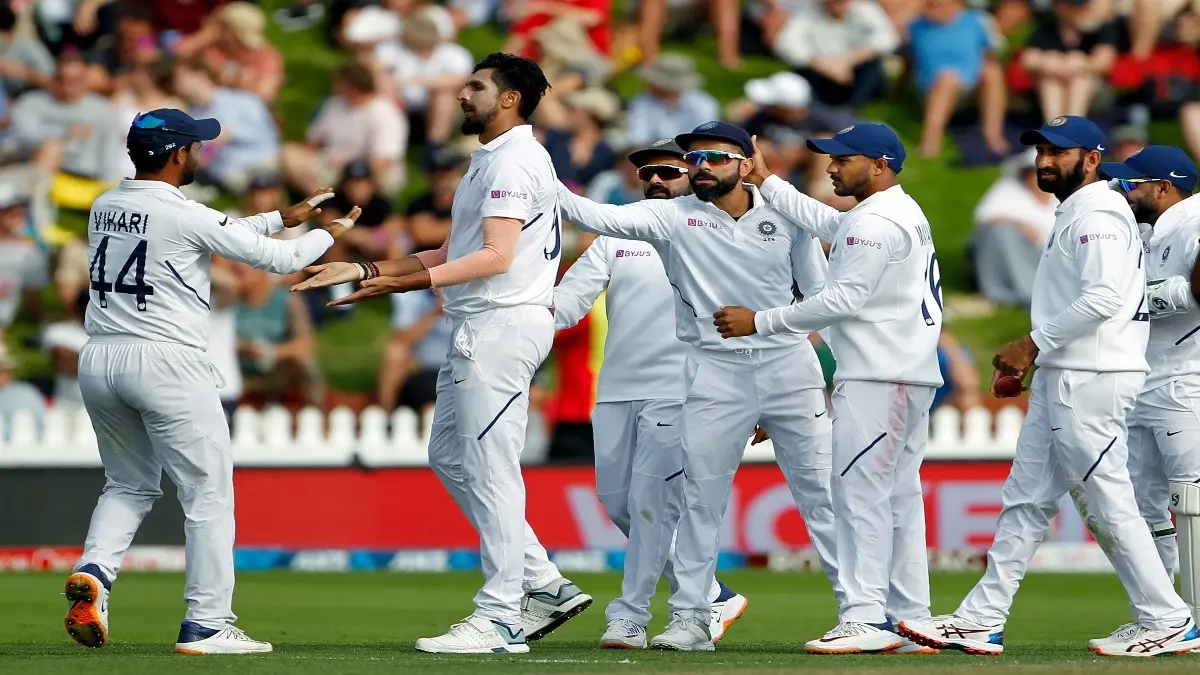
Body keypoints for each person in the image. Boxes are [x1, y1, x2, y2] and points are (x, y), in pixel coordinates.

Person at [290, 53, 593, 655]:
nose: (462, 94)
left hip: (501, 327)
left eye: (476, 86)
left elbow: (496, 257)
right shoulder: (495, 159)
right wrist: (367, 268)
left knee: (490, 467)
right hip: (481, 325)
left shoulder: (512, 160)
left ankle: (503, 615)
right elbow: (453, 252)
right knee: (452, 457)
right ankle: (544, 583)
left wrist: (404, 284)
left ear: (510, 99)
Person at [898, 116, 1200, 657]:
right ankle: (981, 618)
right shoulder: (1080, 210)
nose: (1044, 160)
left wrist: (1031, 345)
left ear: (1091, 159)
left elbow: (1106, 297)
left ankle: (1168, 617)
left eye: (1058, 152)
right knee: (1026, 499)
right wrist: (1034, 357)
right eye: (1040, 150)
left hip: (1093, 375)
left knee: (1106, 498)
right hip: (1071, 371)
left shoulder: (1100, 214)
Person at [63, 108, 359, 655]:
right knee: (207, 495)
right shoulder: (183, 214)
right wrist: (328, 233)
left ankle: (96, 574)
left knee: (127, 484)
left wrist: (278, 216)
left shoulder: (107, 204)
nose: (199, 154)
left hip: (101, 358)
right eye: (195, 147)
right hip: (166, 362)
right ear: (178, 155)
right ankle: (207, 623)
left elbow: (202, 234)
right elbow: (283, 261)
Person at [552, 120, 841, 651]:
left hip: (755, 371)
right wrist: (529, 178)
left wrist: (827, 373)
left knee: (816, 492)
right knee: (663, 502)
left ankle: (861, 612)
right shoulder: (657, 222)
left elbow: (822, 298)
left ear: (743, 161)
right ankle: (696, 609)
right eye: (689, 161)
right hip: (679, 377)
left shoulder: (784, 214)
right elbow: (588, 229)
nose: (692, 169)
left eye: (708, 159)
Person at [715, 124, 943, 654]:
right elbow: (829, 223)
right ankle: (911, 618)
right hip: (906, 371)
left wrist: (762, 321)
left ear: (880, 164)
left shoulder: (873, 224)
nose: (832, 168)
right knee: (899, 499)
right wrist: (769, 181)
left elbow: (842, 300)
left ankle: (865, 617)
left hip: (875, 375)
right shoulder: (893, 212)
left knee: (859, 495)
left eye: (844, 159)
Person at [552, 138, 749, 649]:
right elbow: (568, 304)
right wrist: (507, 307)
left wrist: (759, 394)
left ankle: (630, 616)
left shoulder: (722, 231)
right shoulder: (617, 234)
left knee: (648, 503)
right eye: (648, 173)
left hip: (684, 388)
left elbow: (761, 315)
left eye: (668, 171)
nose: (656, 180)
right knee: (618, 502)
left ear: (695, 175)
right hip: (616, 389)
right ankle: (711, 594)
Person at [1098, 146, 1200, 638]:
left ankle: (1198, 619)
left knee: (1192, 497)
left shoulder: (1194, 220)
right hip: (1144, 376)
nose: (1124, 190)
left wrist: (1137, 301)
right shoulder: (1147, 230)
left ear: (1164, 187)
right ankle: (1162, 619)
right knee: (1141, 504)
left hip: (1187, 378)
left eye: (1133, 184)